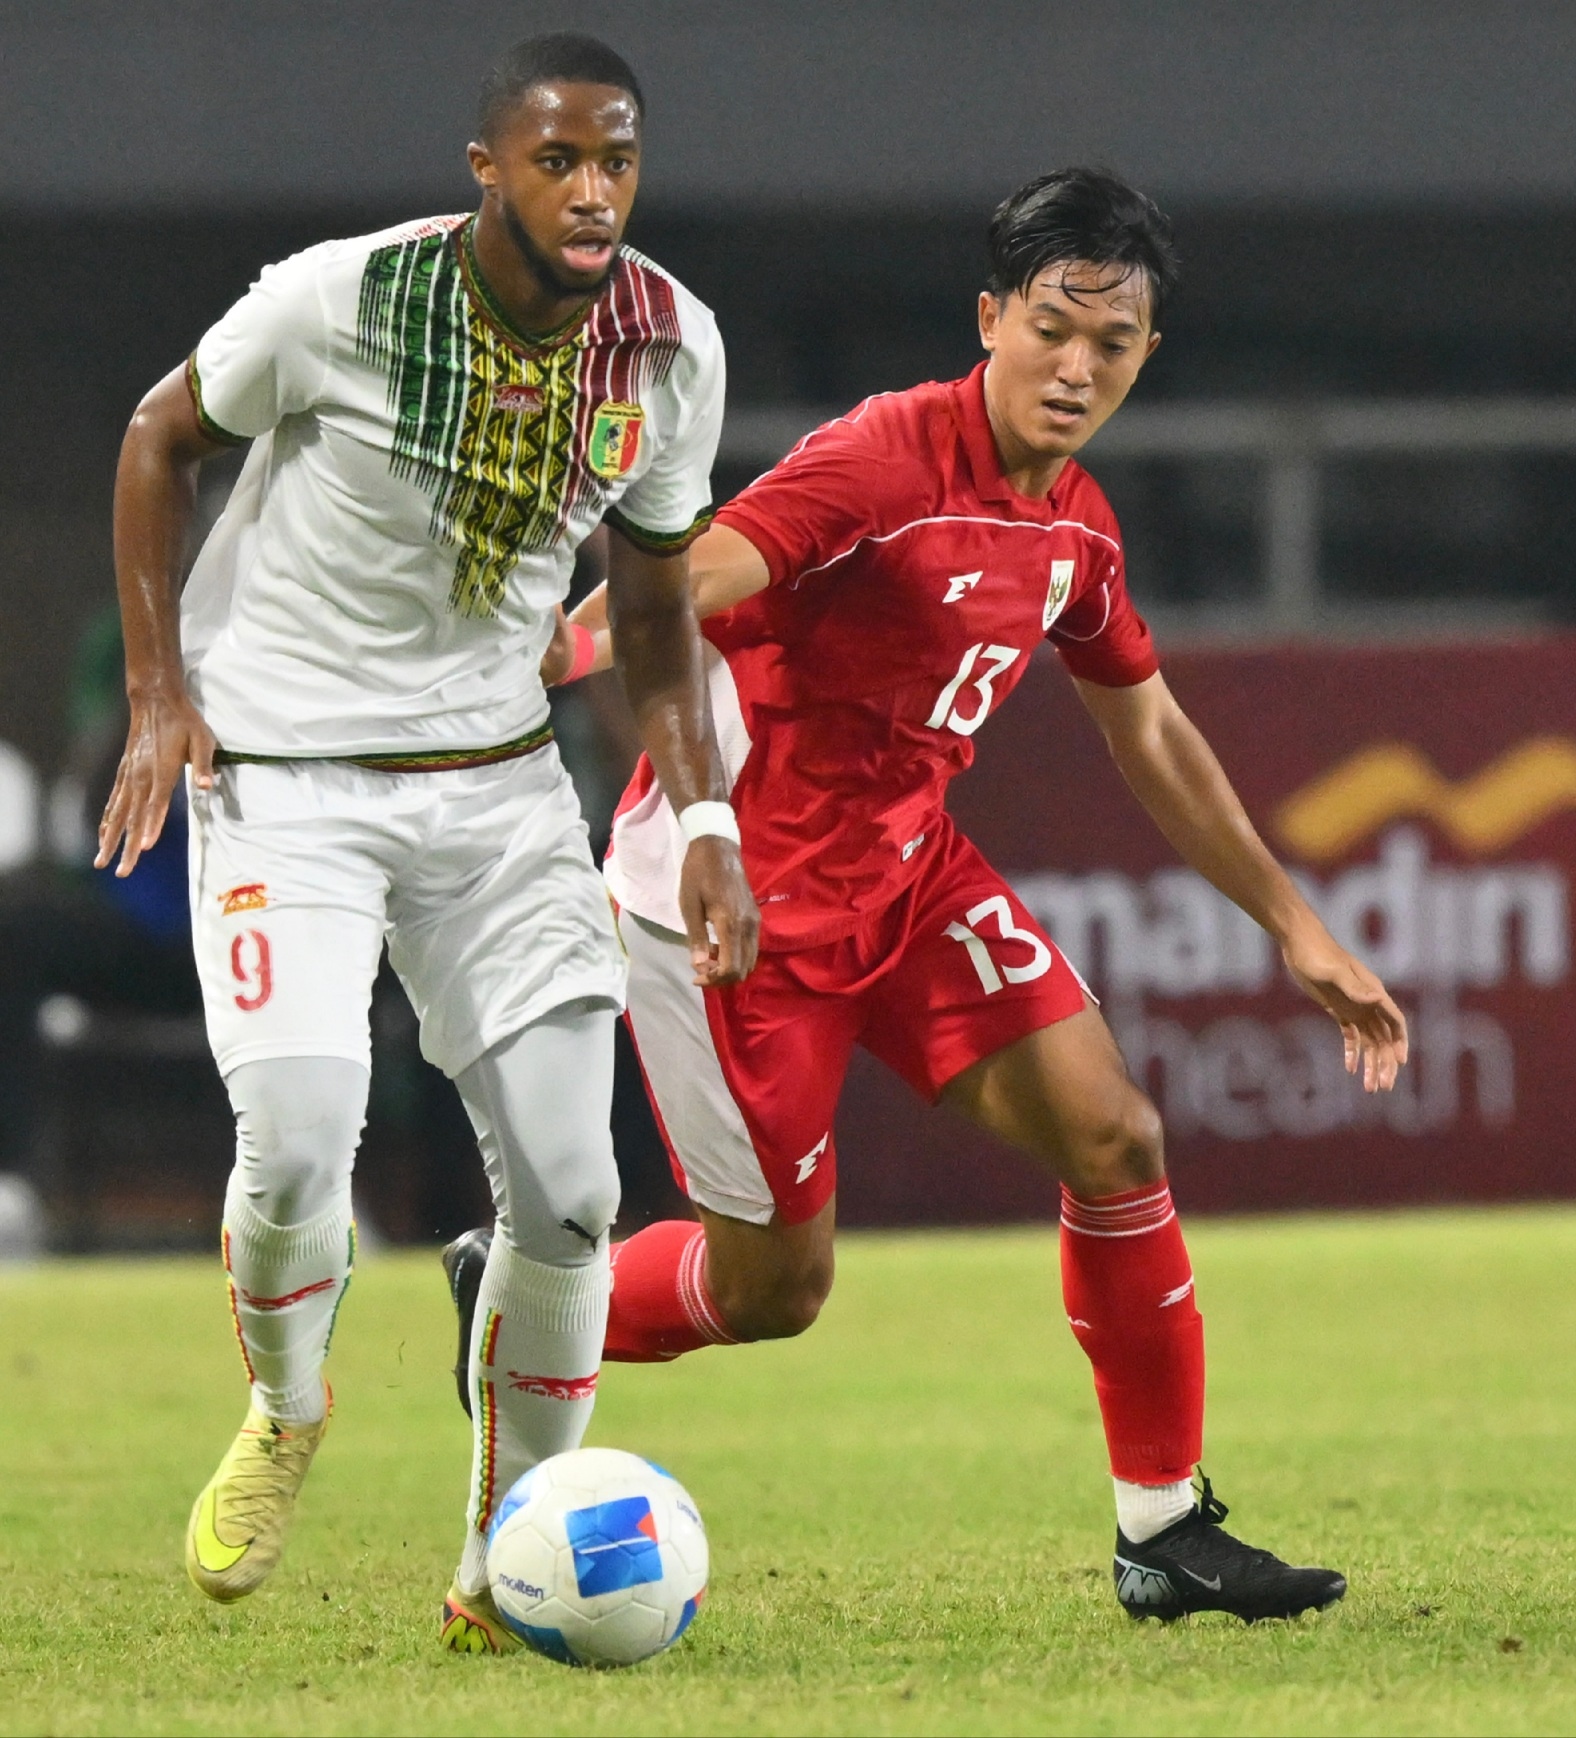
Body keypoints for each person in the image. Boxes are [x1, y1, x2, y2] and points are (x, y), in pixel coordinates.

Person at [537, 167, 1408, 1623]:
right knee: (773, 1292)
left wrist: (1293, 922)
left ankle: (1164, 1529)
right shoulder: (880, 462)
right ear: (989, 318)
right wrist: (530, 667)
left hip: (908, 875)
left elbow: (1151, 731)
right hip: (736, 905)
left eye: (1113, 344)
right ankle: (523, 1309)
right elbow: (673, 585)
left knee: (1115, 1132)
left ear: (1143, 355)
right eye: (1053, 328)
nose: (1077, 368)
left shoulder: (1075, 527)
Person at [97, 32, 759, 1653]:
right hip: (286, 776)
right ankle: (289, 1402)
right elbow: (154, 440)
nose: (592, 190)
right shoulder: (341, 299)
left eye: (616, 160)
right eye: (558, 160)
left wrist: (705, 811)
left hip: (497, 784)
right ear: (490, 171)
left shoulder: (669, 348)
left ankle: (500, 1564)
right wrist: (155, 690)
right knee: (303, 1138)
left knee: (575, 1189)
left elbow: (660, 614)